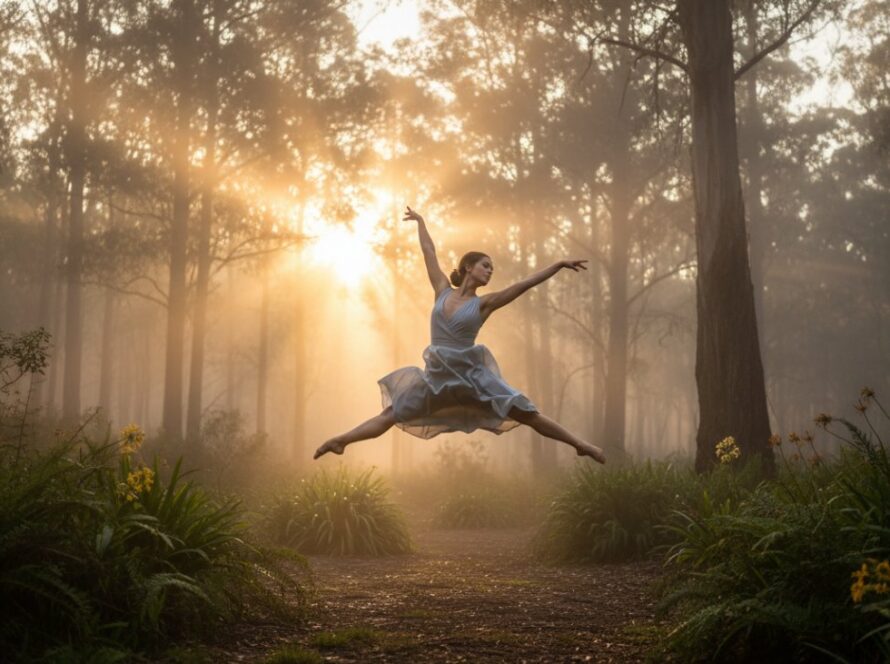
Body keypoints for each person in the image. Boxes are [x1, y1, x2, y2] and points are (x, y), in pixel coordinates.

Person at [313, 206, 606, 464]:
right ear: (468, 267)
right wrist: (421, 222)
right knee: (390, 415)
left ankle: (581, 445)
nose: (490, 272)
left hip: (471, 381)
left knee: (525, 413)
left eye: (492, 269)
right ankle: (341, 441)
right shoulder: (442, 290)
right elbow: (429, 253)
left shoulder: (485, 303)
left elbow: (523, 285)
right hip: (435, 381)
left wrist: (557, 265)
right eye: (486, 266)